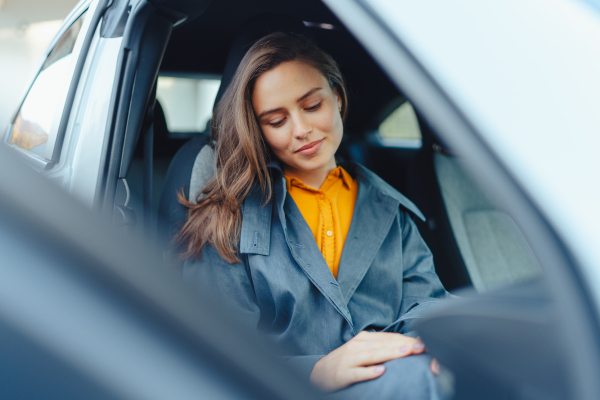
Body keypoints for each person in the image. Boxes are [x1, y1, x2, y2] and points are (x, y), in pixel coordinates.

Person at [177, 32, 449, 399]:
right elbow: (213, 351)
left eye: (312, 106)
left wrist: (426, 343)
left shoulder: (391, 209)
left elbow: (425, 301)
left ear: (337, 97)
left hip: (396, 378)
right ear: (258, 130)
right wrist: (316, 372)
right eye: (276, 121)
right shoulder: (226, 222)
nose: (301, 130)